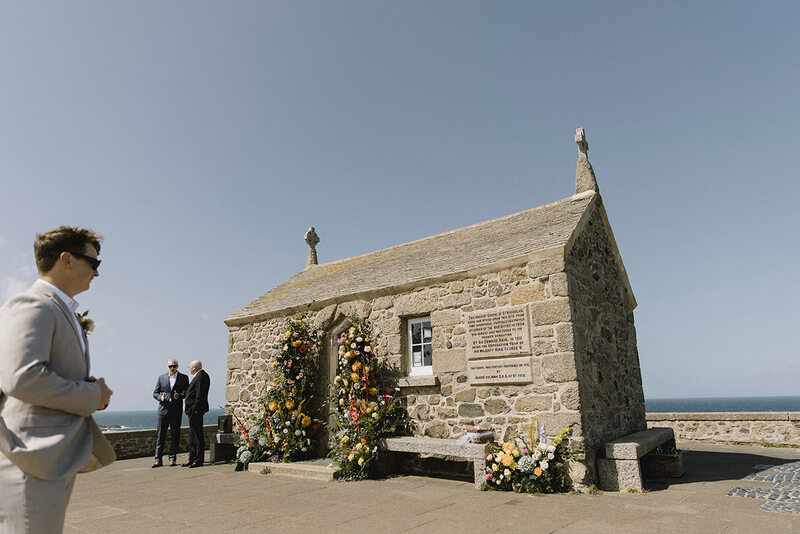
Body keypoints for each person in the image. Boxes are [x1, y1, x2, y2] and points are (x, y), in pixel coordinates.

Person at [0, 226, 114, 532]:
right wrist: (92, 396)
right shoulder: (32, 304)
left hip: (50, 460)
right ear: (66, 259)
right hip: (30, 459)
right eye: (94, 263)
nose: (97, 273)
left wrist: (91, 390)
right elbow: (20, 378)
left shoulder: (60, 310)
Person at [151, 359, 189, 467]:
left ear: (177, 366)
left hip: (176, 411)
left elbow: (187, 393)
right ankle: (158, 459)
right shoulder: (161, 377)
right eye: (170, 366)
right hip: (163, 410)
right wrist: (160, 397)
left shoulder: (184, 378)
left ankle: (173, 458)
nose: (172, 368)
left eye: (174, 366)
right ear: (167, 367)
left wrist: (180, 396)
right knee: (160, 435)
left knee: (175, 435)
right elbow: (155, 393)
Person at [183, 360, 210, 467]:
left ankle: (198, 460)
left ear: (194, 367)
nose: (189, 369)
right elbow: (191, 392)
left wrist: (194, 409)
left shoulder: (201, 376)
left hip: (196, 411)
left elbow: (200, 394)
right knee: (192, 435)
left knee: (197, 436)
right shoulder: (198, 376)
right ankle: (192, 458)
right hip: (193, 410)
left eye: (190, 367)